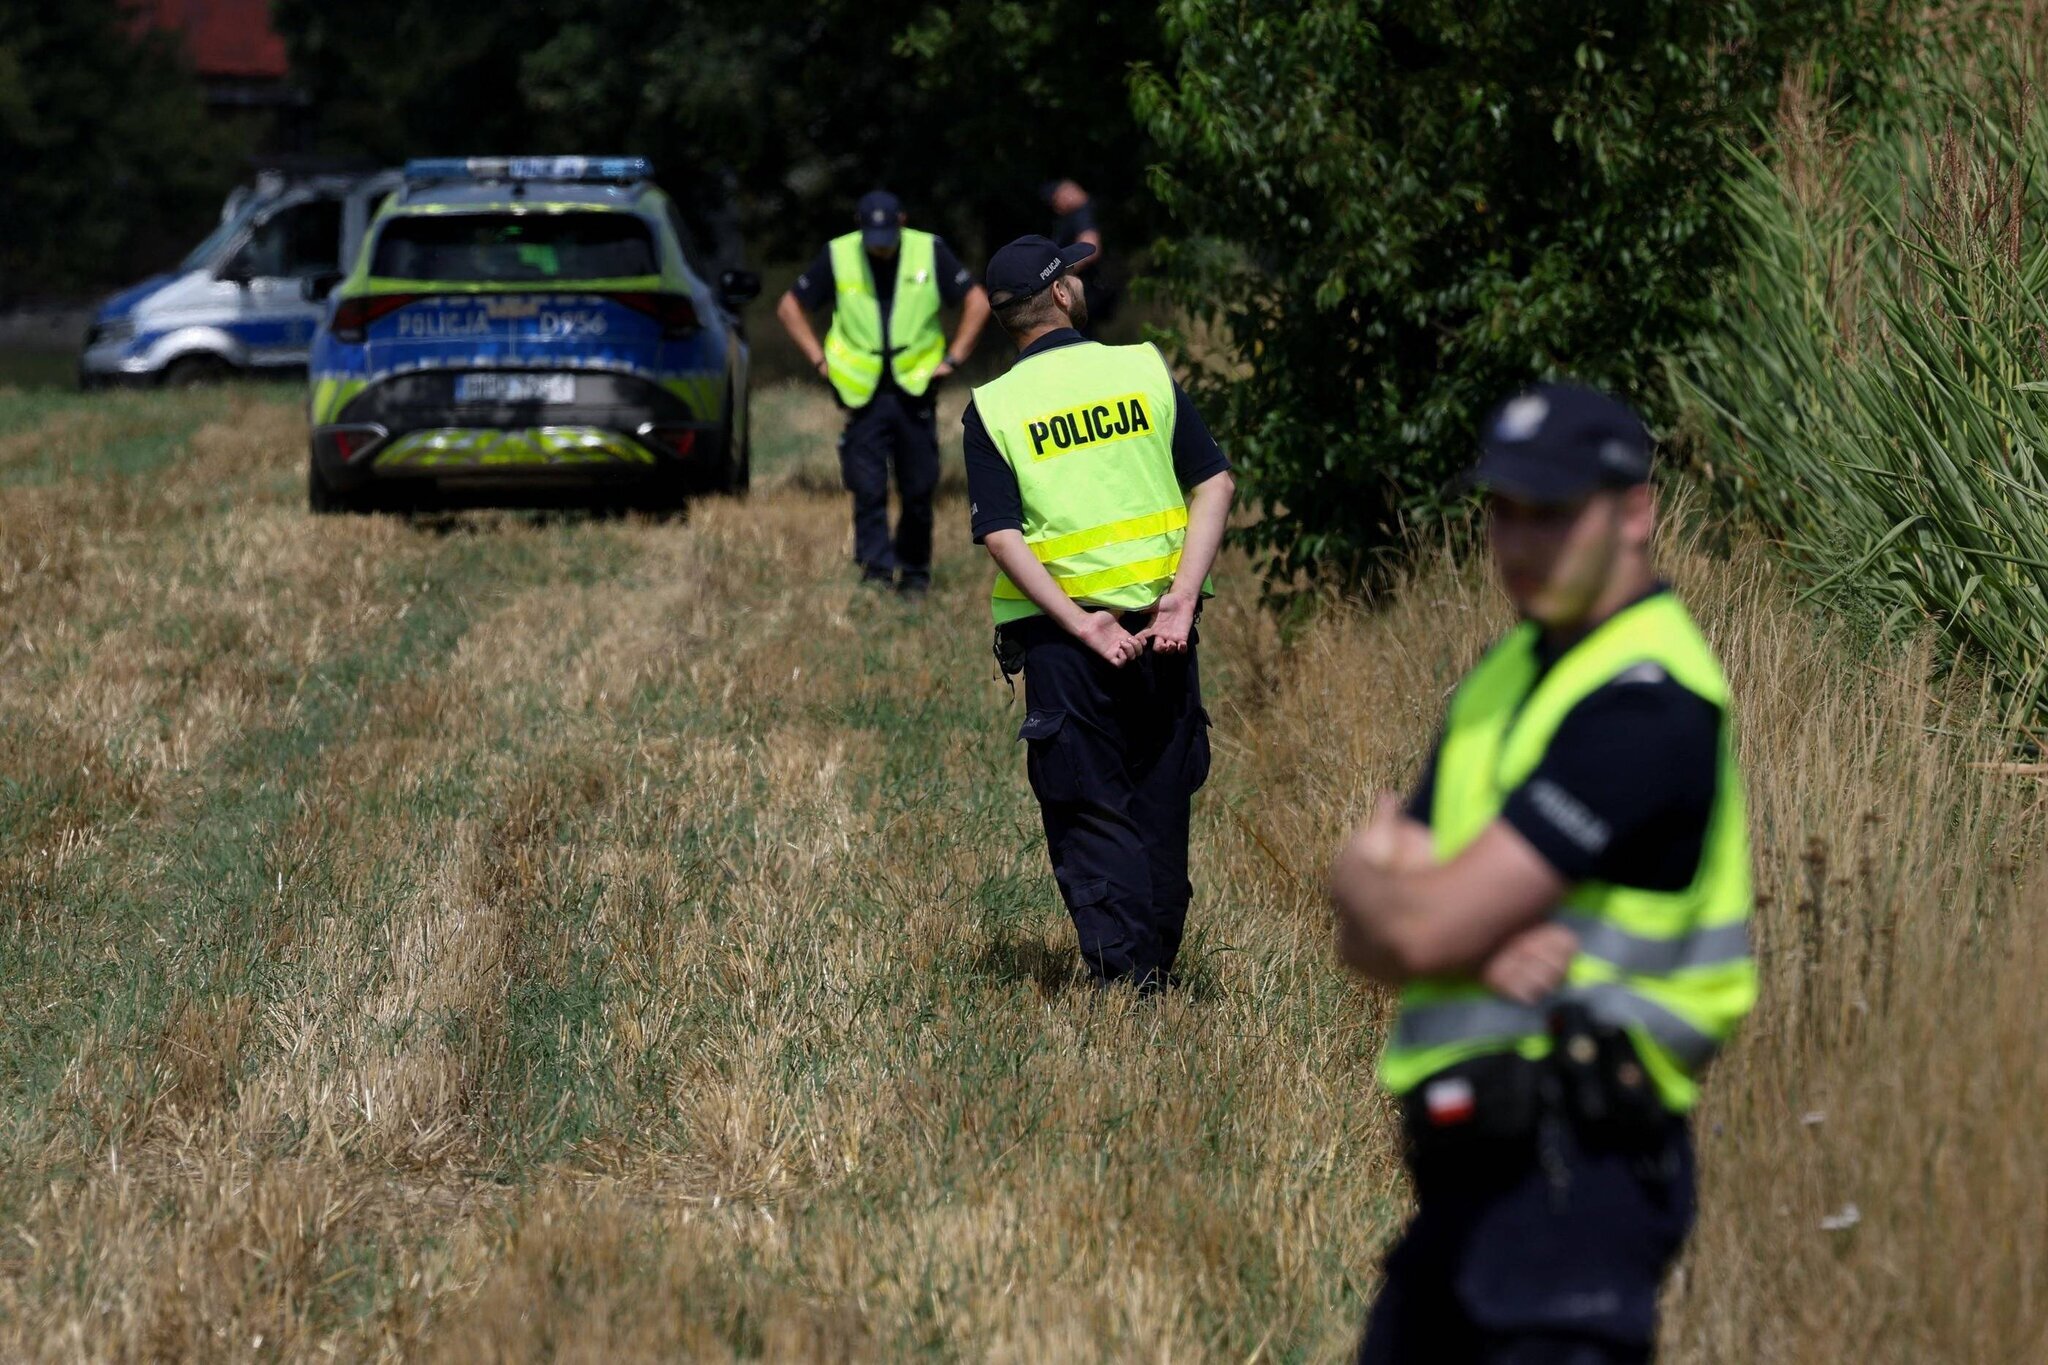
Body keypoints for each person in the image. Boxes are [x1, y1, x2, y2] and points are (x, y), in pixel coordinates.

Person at [1329, 383, 1757, 1364]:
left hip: (1577, 1170)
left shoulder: (1646, 703)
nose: (1519, 543)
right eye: (1503, 513)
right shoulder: (1502, 678)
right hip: (1467, 1176)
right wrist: (1376, 882)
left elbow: (1420, 929)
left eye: (1552, 514)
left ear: (1634, 513)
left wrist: (1401, 894)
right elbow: (1371, 933)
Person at [964, 234, 1235, 991]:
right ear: (1058, 296)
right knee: (1158, 795)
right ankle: (1151, 969)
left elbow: (1000, 532)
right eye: (1072, 276)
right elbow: (1214, 482)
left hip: (1067, 641)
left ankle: (1128, 981)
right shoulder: (1141, 368)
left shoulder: (994, 406)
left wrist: (1081, 623)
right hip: (1165, 631)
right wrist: (1181, 598)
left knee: (1089, 805)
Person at [776, 190, 990, 595]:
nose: (880, 248)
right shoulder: (838, 254)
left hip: (916, 385)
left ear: (902, 221)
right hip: (862, 391)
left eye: (887, 237)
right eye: (873, 237)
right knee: (867, 486)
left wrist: (954, 359)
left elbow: (976, 302)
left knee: (918, 487)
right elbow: (789, 307)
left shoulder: (929, 249)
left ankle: (913, 574)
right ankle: (875, 570)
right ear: (859, 225)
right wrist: (820, 362)